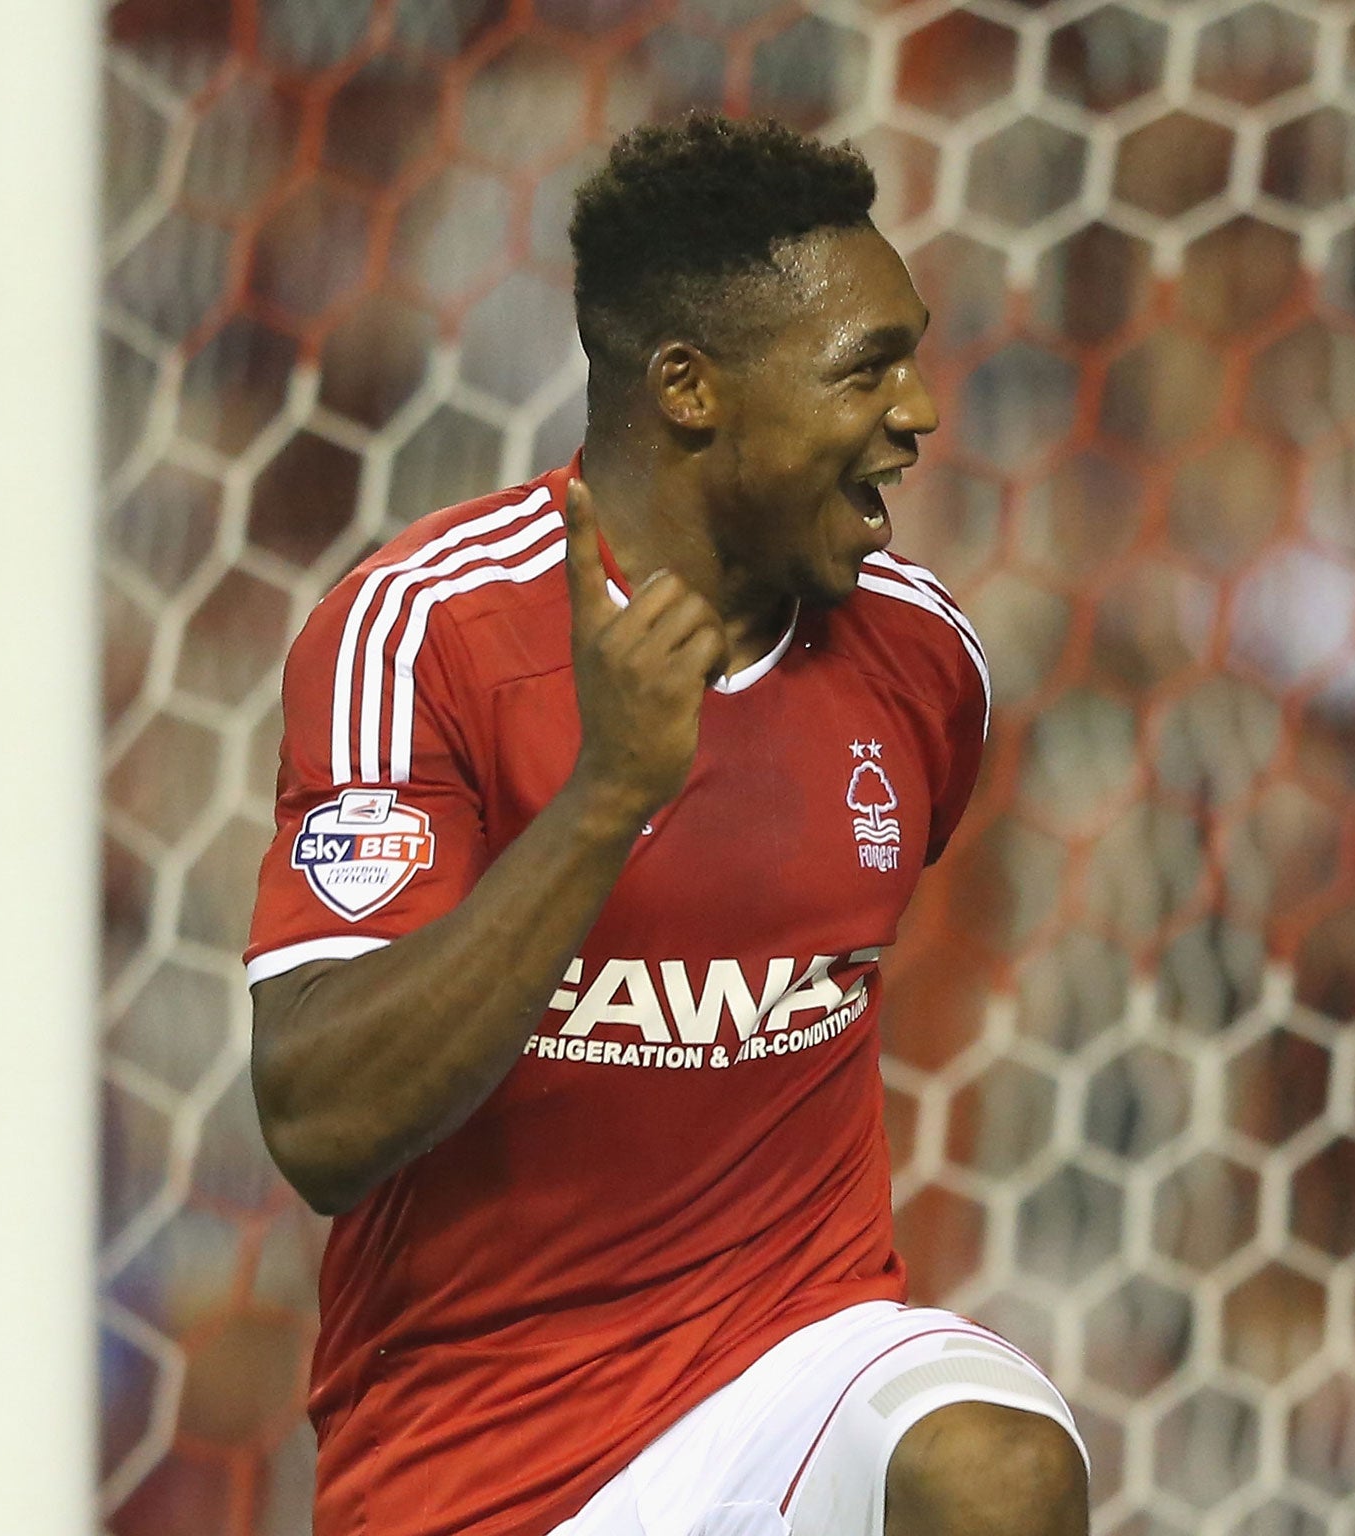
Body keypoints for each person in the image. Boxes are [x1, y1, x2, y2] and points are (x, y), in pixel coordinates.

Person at [247, 113, 1089, 1536]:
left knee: (994, 1475)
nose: (918, 412)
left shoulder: (926, 664)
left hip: (787, 1371)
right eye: (863, 368)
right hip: (481, 1460)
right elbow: (321, 1119)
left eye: (914, 354)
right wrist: (606, 804)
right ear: (690, 391)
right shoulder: (423, 636)